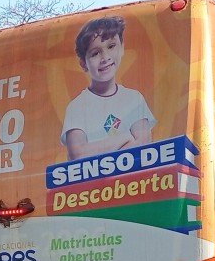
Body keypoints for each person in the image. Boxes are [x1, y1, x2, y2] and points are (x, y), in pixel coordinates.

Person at [61, 16, 156, 160]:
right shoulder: (77, 107)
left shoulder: (134, 98)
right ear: (83, 64)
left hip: (132, 183)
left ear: (122, 47)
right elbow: (77, 154)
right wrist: (125, 137)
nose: (105, 57)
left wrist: (95, 151)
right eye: (95, 53)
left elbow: (144, 146)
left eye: (111, 46)